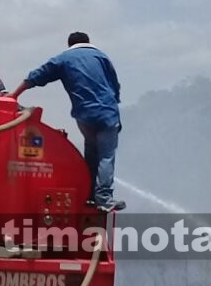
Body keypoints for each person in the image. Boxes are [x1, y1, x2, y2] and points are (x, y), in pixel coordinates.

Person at [10, 32, 126, 211]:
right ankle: (104, 198)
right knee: (106, 156)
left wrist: (14, 95)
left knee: (91, 152)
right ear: (88, 43)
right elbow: (115, 85)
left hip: (84, 116)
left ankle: (88, 193)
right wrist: (115, 107)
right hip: (107, 113)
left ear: (70, 44)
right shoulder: (102, 57)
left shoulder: (64, 59)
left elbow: (35, 76)